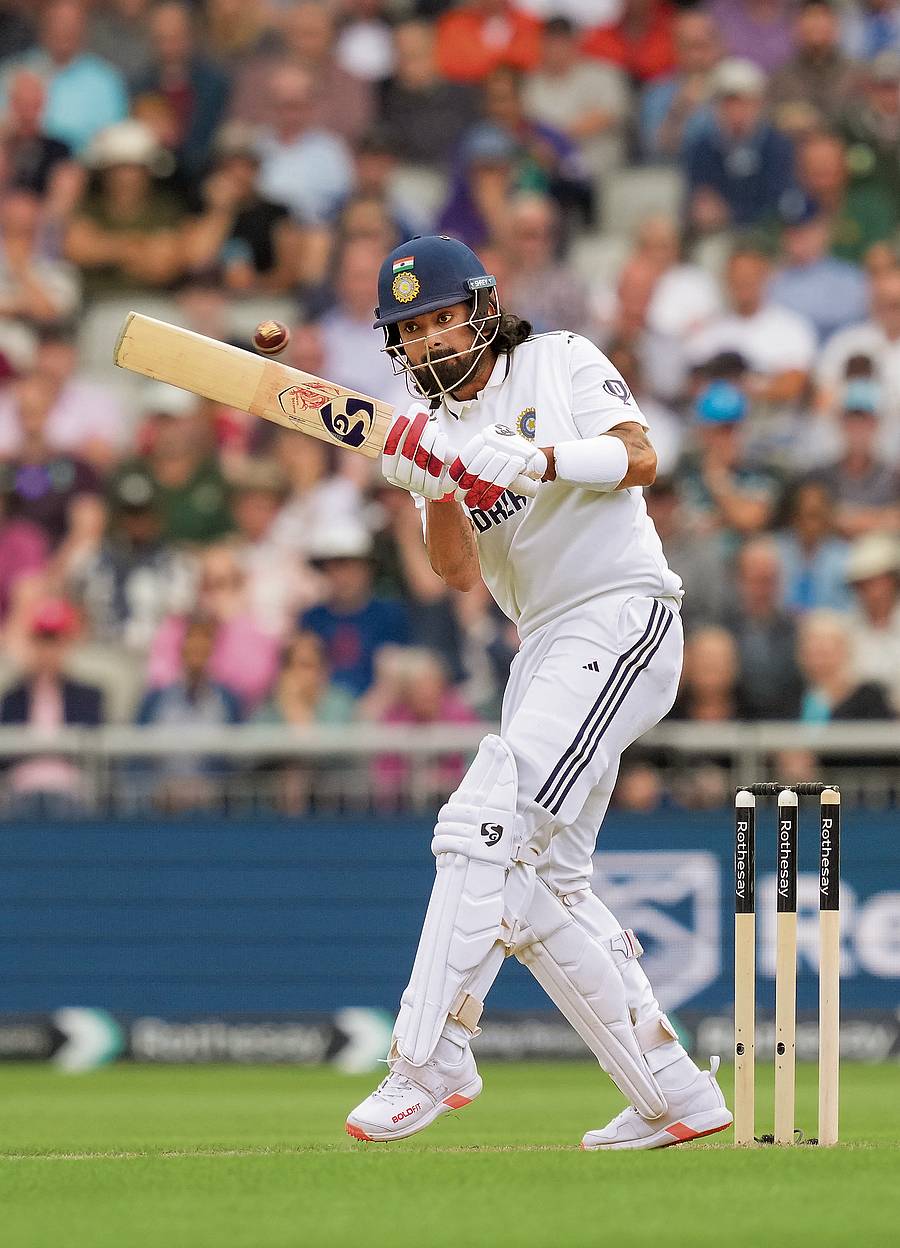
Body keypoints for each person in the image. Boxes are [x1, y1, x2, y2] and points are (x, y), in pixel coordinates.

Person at [345, 234, 731, 1149]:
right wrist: (439, 486)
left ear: (481, 309)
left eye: (441, 319)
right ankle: (671, 1089)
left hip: (623, 612)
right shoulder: (430, 425)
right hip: (545, 644)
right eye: (411, 331)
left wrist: (539, 460)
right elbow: (455, 573)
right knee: (540, 881)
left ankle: (428, 1058)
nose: (429, 342)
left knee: (484, 818)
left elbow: (640, 457)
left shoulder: (558, 360)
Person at [0, 597, 103, 815]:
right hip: (22, 793)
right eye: (42, 640)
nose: (48, 650)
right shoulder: (12, 697)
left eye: (54, 641)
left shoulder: (88, 696)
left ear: (66, 645)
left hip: (69, 793)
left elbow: (92, 750)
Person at [684, 57, 795, 234]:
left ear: (758, 105)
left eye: (743, 103)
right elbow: (696, 193)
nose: (736, 111)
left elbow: (779, 201)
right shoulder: (702, 148)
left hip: (765, 233)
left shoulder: (777, 146)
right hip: (715, 233)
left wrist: (730, 213)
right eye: (728, 104)